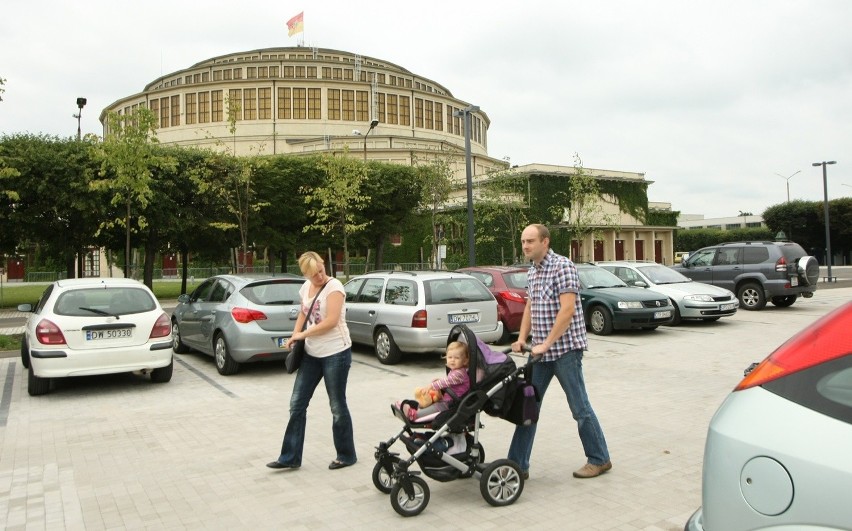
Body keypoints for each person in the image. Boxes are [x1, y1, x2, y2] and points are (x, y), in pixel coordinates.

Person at [508, 224, 612, 480]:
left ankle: (599, 459)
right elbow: (531, 308)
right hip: (540, 355)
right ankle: (517, 465)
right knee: (528, 408)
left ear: (545, 241)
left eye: (530, 241)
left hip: (566, 351)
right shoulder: (532, 272)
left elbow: (567, 311)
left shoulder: (563, 266)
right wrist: (522, 338)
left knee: (579, 408)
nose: (525, 246)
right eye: (523, 241)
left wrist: (547, 343)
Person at [267, 251, 357, 471]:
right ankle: (289, 457)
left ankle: (346, 455)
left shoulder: (335, 287)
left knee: (337, 405)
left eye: (321, 270)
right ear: (305, 274)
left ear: (323, 264)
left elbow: (331, 321)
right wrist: (294, 334)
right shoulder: (306, 287)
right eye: (314, 274)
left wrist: (302, 335)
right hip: (311, 354)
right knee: (297, 404)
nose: (319, 276)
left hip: (336, 352)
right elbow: (302, 312)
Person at [396, 341, 470, 423]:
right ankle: (414, 406)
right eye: (450, 357)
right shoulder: (456, 371)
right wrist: (439, 381)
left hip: (451, 404)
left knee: (436, 407)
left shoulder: (459, 373)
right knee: (432, 403)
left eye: (456, 358)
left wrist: (432, 385)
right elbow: (449, 382)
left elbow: (447, 381)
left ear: (465, 361)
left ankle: (414, 415)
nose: (452, 360)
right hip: (448, 400)